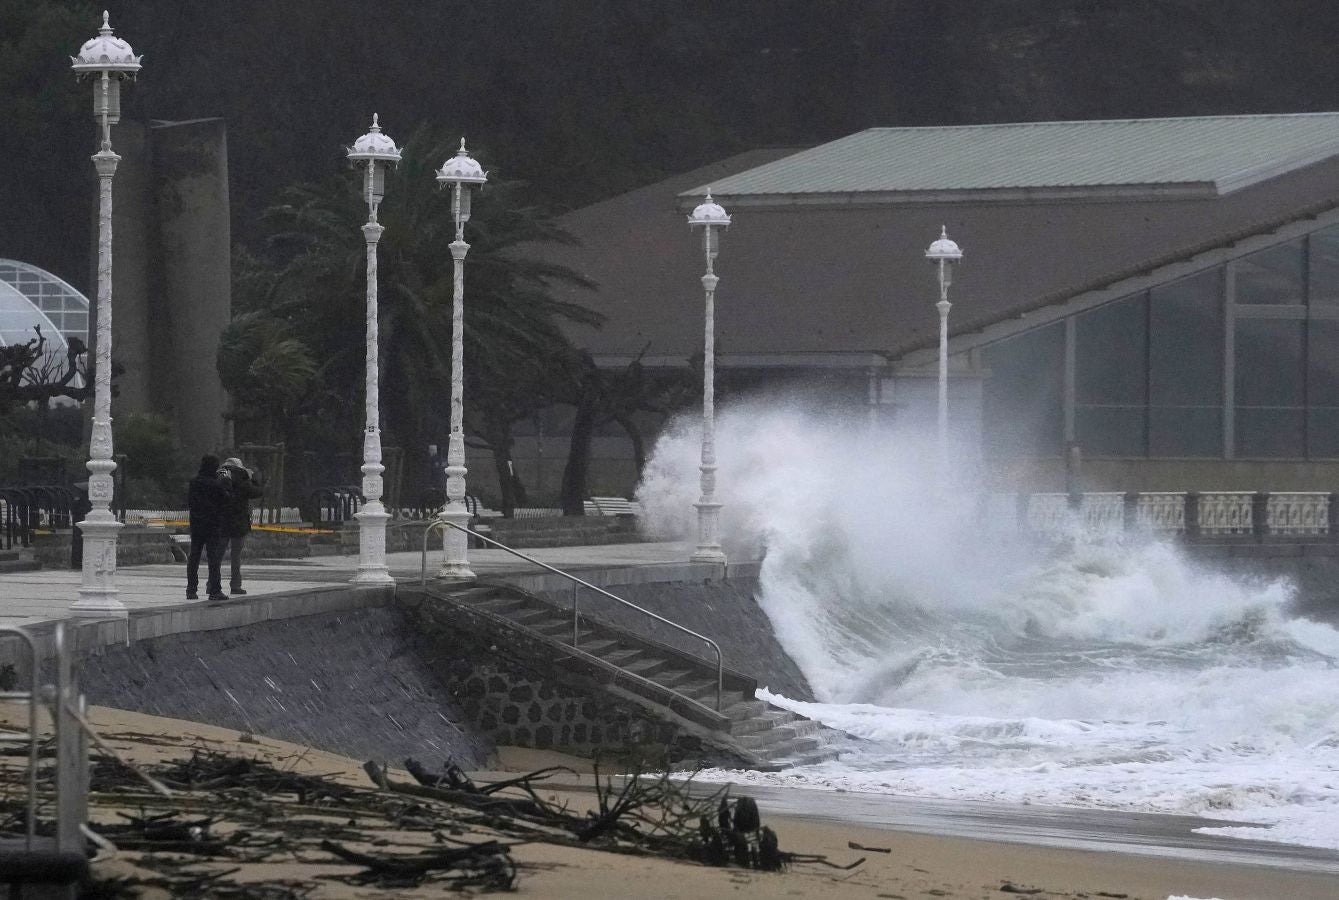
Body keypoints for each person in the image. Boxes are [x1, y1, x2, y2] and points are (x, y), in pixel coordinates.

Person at [218, 456, 265, 596]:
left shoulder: (220, 478)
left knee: (217, 555)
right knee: (235, 555)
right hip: (239, 523)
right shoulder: (244, 481)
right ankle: (235, 585)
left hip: (222, 522)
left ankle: (212, 584)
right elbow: (258, 492)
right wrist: (253, 478)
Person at [186, 454, 229, 601]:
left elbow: (190, 502)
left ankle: (191, 589)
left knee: (194, 557)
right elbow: (225, 500)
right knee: (213, 558)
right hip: (212, 525)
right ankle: (214, 589)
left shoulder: (194, 482)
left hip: (197, 524)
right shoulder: (216, 485)